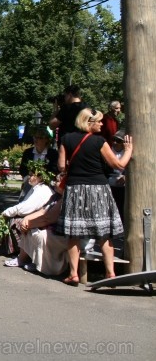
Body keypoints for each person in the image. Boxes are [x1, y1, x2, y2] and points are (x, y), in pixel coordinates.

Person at [55, 108, 133, 286]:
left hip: (75, 189)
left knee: (73, 234)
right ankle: (110, 273)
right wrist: (128, 149)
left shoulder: (66, 139)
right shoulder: (99, 141)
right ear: (88, 122)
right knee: (104, 233)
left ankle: (73, 274)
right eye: (98, 121)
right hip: (98, 189)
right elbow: (118, 164)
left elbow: (61, 166)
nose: (102, 124)